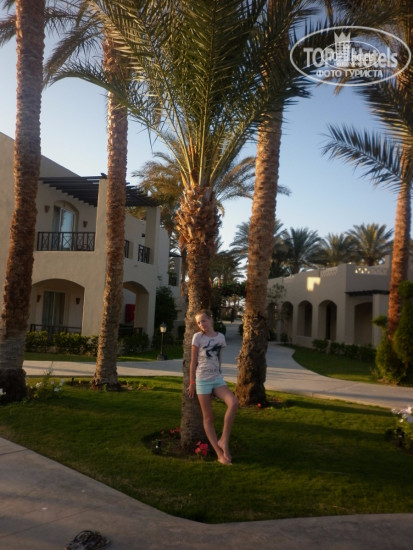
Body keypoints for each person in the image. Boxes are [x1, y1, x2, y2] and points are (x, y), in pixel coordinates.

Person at [187, 309, 238, 465]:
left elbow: (219, 358)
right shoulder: (197, 337)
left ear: (211, 319)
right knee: (208, 418)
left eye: (204, 320)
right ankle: (219, 454)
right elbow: (193, 362)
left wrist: (220, 375)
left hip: (217, 379)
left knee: (234, 403)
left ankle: (224, 440)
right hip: (202, 381)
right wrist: (192, 383)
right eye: (199, 323)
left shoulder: (220, 337)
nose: (201, 324)